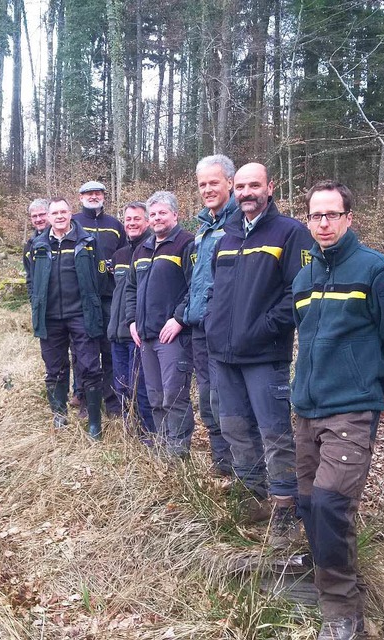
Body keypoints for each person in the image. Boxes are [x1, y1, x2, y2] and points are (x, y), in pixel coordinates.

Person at [292, 181, 384, 640]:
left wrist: (373, 390)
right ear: (307, 220)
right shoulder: (304, 278)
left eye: (332, 214)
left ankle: (344, 614)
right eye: (315, 215)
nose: (323, 223)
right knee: (307, 503)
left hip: (351, 412)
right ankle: (323, 575)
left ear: (350, 217)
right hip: (306, 410)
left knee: (331, 503)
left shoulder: (377, 271)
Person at [204, 162, 313, 546]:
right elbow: (217, 290)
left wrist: (264, 328)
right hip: (224, 354)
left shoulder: (290, 233)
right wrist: (216, 327)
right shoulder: (228, 235)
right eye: (242, 187)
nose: (247, 192)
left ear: (270, 187)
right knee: (234, 426)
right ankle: (253, 496)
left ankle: (285, 506)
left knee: (274, 432)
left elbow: (298, 294)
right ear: (234, 190)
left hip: (265, 355)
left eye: (255, 185)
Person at [126, 191, 196, 458]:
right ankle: (163, 449)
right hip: (145, 337)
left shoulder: (186, 244)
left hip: (172, 338)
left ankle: (178, 455)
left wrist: (179, 319)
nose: (157, 218)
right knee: (155, 398)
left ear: (175, 215)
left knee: (174, 398)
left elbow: (196, 288)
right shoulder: (143, 248)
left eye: (162, 213)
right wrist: (131, 321)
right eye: (152, 214)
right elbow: (131, 288)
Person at [30, 197, 105, 438]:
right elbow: (31, 279)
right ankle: (59, 416)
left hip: (81, 315)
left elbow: (101, 275)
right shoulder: (37, 245)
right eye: (55, 213)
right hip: (50, 318)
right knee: (54, 369)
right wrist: (36, 301)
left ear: (71, 214)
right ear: (48, 217)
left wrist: (93, 303)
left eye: (63, 211)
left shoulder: (88, 242)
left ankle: (94, 422)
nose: (60, 216)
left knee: (90, 366)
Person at [183, 154, 236, 476]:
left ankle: (245, 471)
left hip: (226, 328)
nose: (207, 189)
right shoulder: (203, 229)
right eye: (202, 184)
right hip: (199, 326)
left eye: (213, 182)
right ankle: (222, 464)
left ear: (230, 182)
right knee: (207, 400)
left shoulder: (238, 225)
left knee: (226, 400)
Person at [73, 181, 127, 415]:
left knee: (109, 348)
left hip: (109, 296)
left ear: (104, 196)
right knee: (83, 350)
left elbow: (125, 253)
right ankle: (85, 398)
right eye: (89, 193)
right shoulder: (74, 223)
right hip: (81, 298)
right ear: (81, 197)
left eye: (98, 193)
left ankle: (112, 401)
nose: (93, 197)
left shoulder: (115, 225)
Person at [107, 202, 155, 442]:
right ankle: (130, 433)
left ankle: (148, 436)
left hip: (137, 334)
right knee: (122, 386)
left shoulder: (152, 250)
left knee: (142, 389)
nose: (132, 223)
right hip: (116, 335)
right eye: (128, 219)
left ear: (147, 221)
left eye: (137, 219)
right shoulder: (119, 255)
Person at [23, 198, 50, 300]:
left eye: (42, 214)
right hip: (42, 302)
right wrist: (33, 299)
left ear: (50, 214)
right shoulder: (29, 246)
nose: (38, 219)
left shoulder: (61, 240)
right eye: (34, 216)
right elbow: (30, 277)